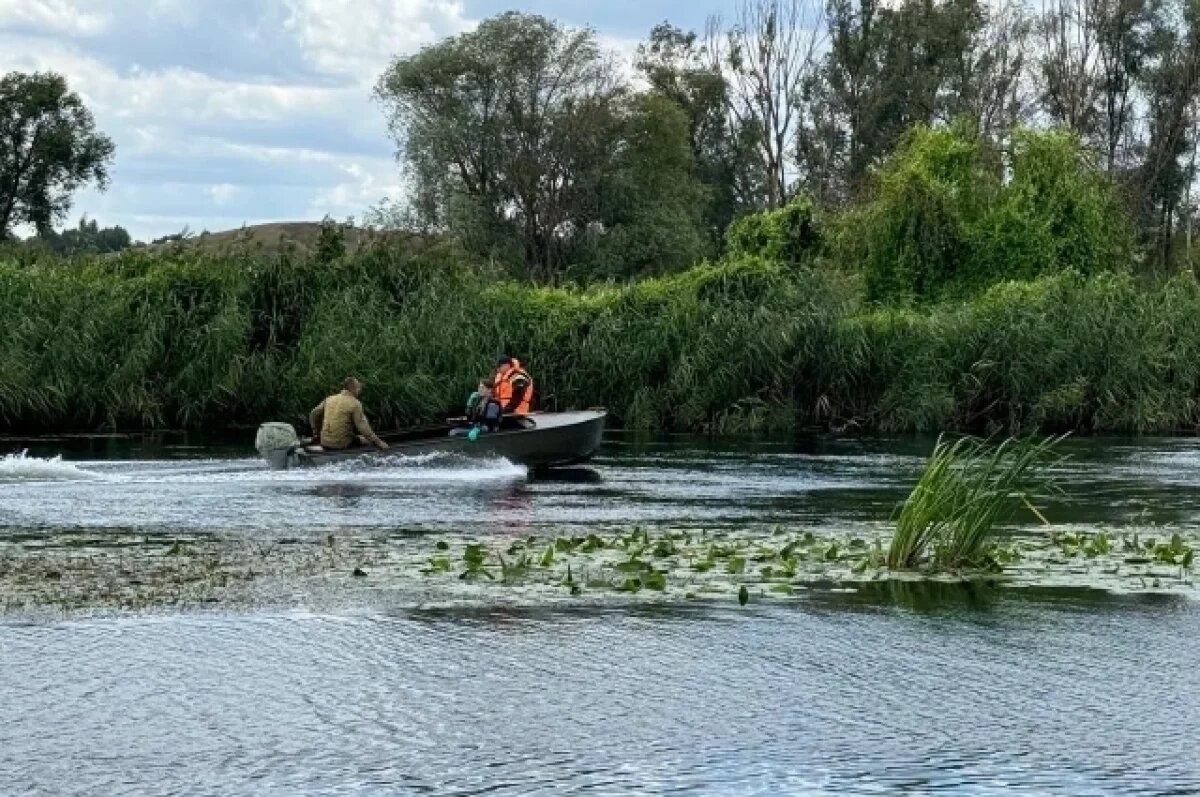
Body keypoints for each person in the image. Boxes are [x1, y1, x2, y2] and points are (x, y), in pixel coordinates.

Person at [309, 377, 389, 451]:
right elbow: (363, 427)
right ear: (353, 389)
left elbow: (313, 414)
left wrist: (315, 432)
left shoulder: (329, 399)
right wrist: (379, 443)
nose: (360, 390)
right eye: (359, 388)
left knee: (356, 437)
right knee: (365, 440)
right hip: (341, 444)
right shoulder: (355, 403)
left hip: (324, 442)